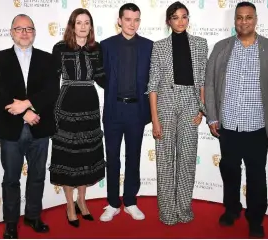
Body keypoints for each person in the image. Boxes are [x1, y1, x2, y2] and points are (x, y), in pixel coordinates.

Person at [204, 2, 268, 238]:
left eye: (248, 17)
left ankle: (255, 219)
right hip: (228, 126)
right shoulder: (221, 48)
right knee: (229, 171)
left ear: (256, 19)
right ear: (234, 20)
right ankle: (232, 209)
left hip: (258, 127)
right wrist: (211, 116)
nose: (244, 22)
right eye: (240, 17)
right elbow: (209, 84)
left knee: (256, 174)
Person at [0, 14, 59, 239]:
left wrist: (28, 106)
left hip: (40, 126)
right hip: (9, 128)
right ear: (11, 32)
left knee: (37, 176)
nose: (24, 33)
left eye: (29, 29)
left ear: (35, 32)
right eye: (19, 29)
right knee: (11, 178)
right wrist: (23, 113)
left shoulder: (48, 59)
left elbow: (51, 92)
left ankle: (33, 216)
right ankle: (10, 223)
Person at [147, 1, 208, 225]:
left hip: (190, 104)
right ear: (168, 21)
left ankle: (184, 208)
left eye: (184, 16)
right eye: (175, 17)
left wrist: (202, 109)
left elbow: (202, 80)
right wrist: (155, 119)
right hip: (165, 104)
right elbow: (152, 85)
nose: (180, 21)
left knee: (187, 160)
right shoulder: (159, 46)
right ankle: (167, 212)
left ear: (188, 19)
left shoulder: (201, 44)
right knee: (164, 161)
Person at [48, 8, 106, 228]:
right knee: (67, 156)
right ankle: (69, 205)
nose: (83, 26)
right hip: (67, 104)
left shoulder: (96, 48)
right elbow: (52, 82)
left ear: (91, 26)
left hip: (90, 104)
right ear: (72, 25)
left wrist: (125, 90)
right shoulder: (60, 48)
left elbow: (101, 77)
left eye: (87, 23)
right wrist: (51, 111)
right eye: (78, 22)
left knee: (87, 155)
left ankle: (82, 200)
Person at [99, 3, 153, 222]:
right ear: (119, 20)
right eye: (128, 19)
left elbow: (153, 79)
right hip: (113, 109)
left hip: (137, 111)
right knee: (112, 158)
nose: (132, 24)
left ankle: (130, 201)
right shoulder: (106, 45)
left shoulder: (149, 46)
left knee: (134, 157)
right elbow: (99, 75)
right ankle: (113, 203)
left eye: (136, 19)